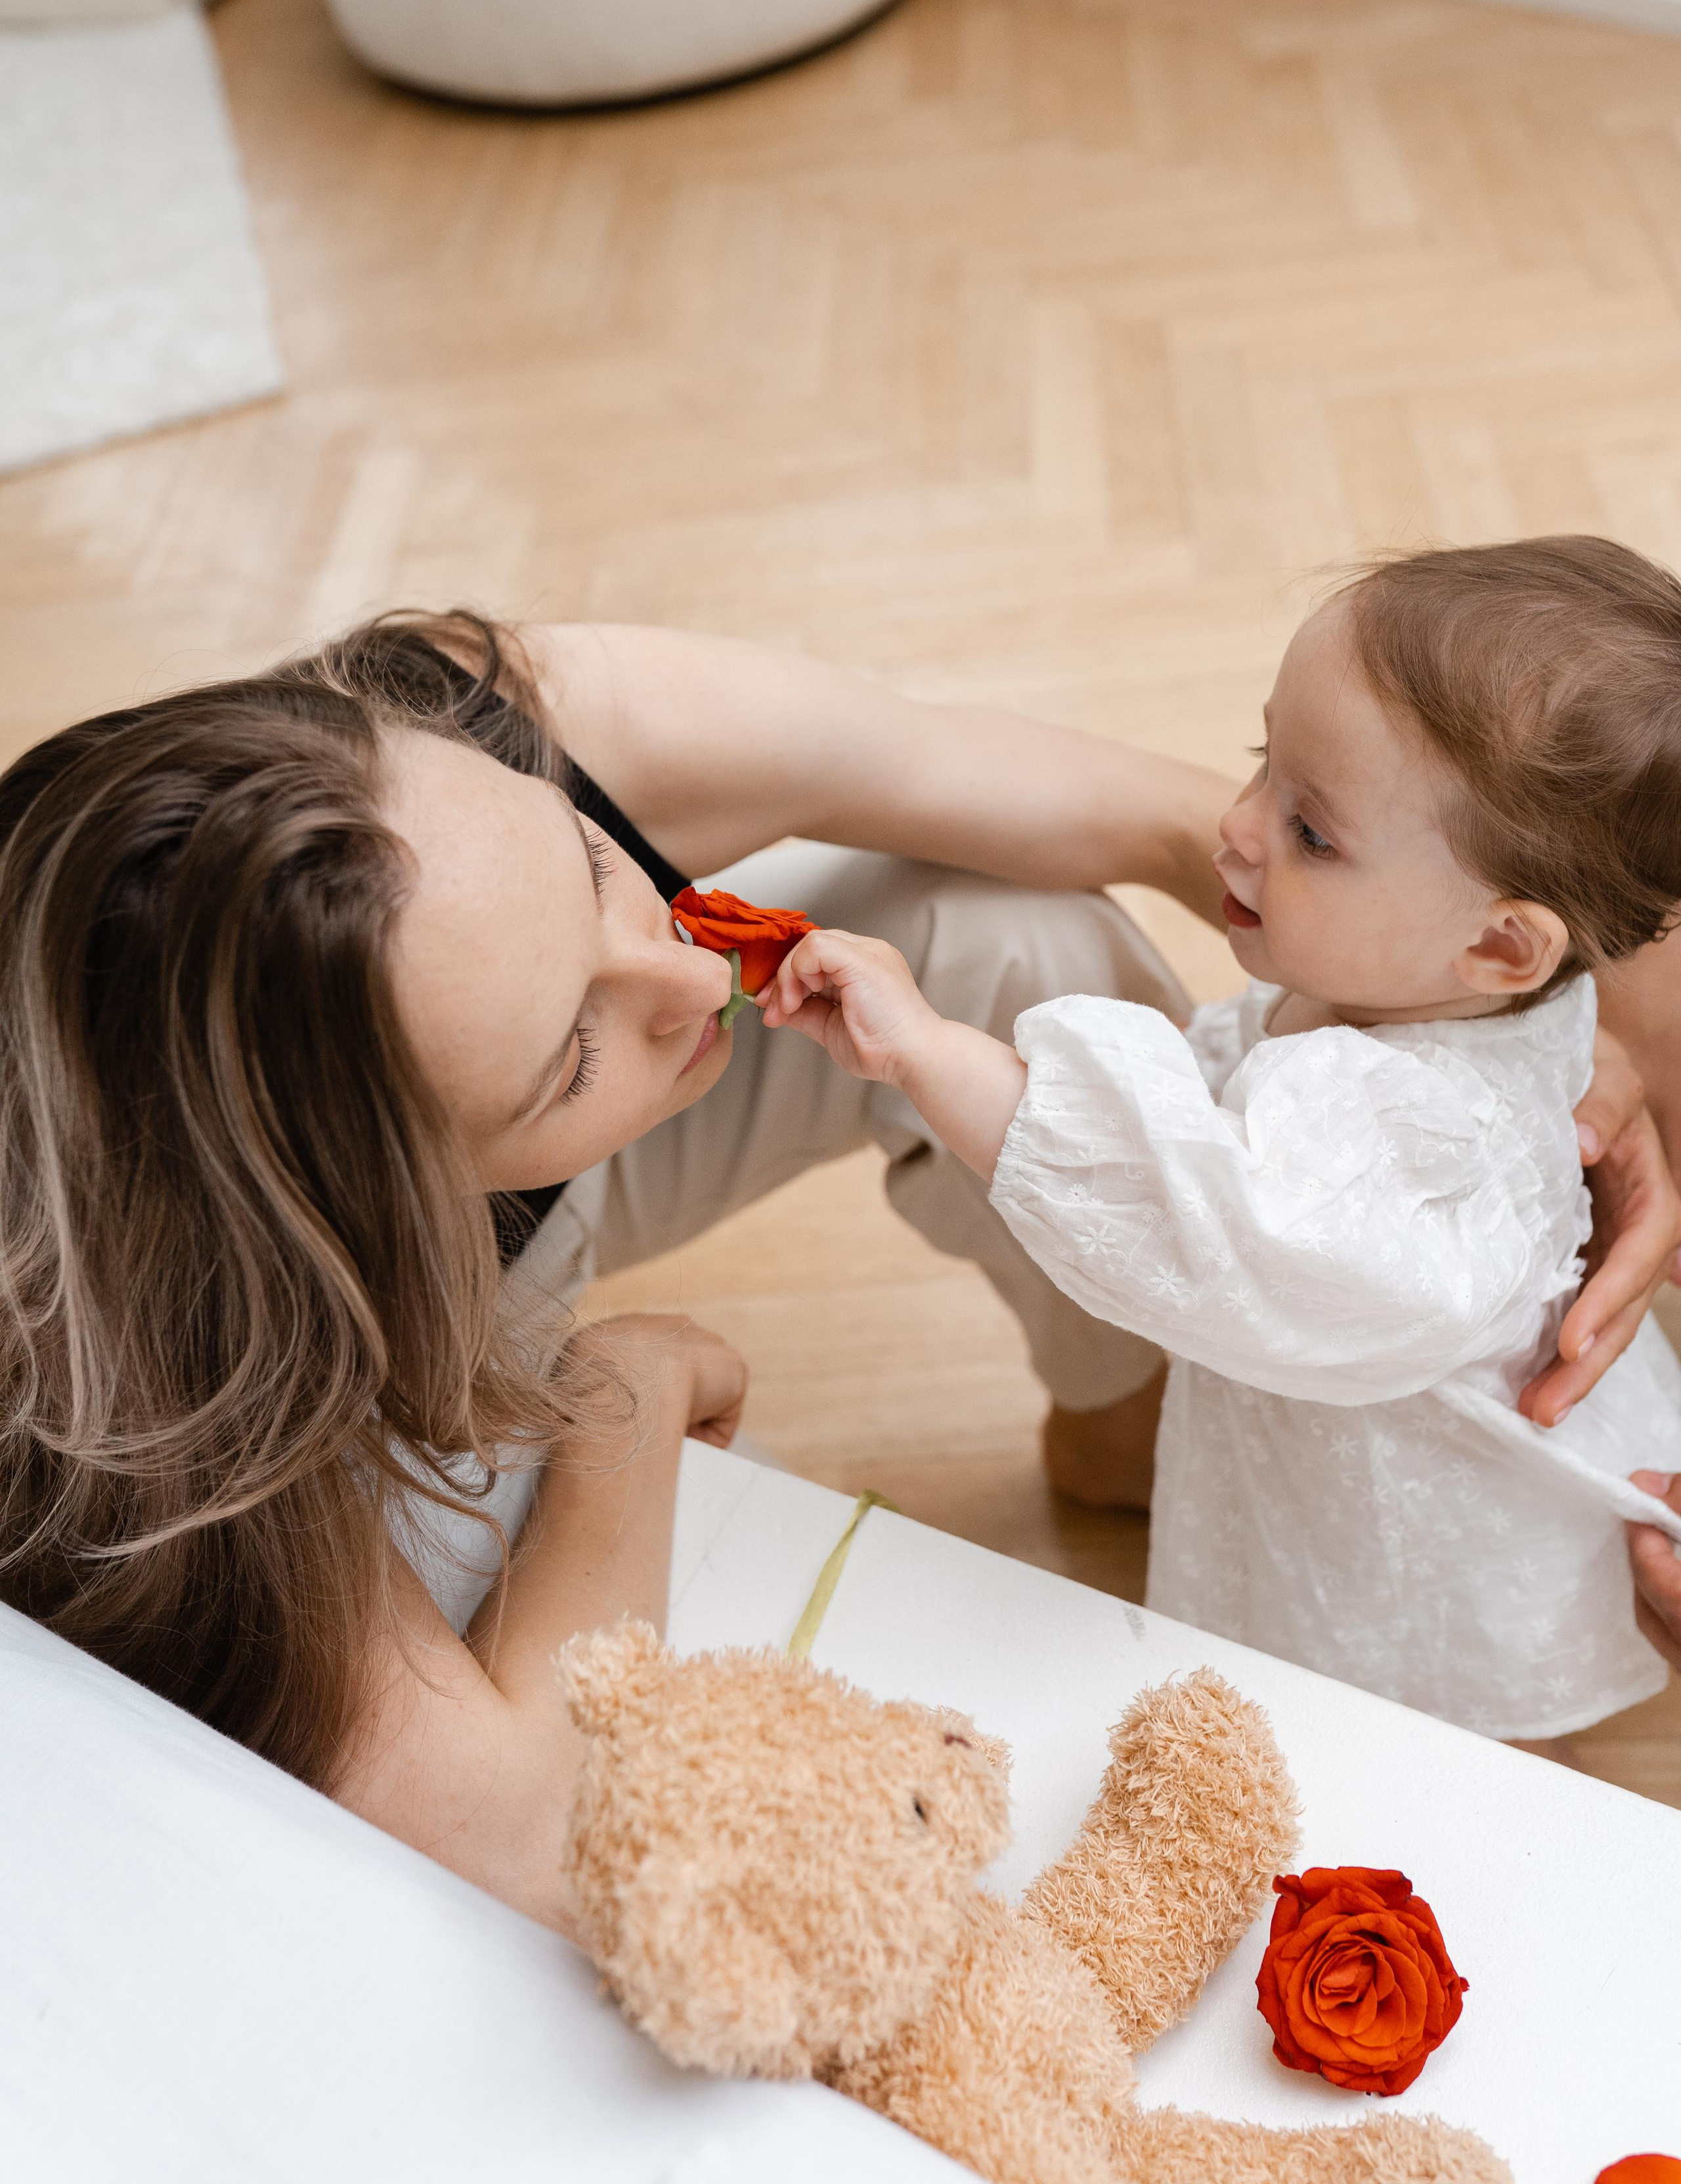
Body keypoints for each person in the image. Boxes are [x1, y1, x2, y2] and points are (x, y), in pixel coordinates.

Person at [0, 607, 1672, 1933]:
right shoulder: (164, 1391)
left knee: (1000, 932)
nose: (689, 971)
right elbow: (522, 1827)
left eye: (597, 864)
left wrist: (1502, 1032)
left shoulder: (469, 721)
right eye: (568, 1049)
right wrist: (623, 1386)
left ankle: (1121, 1417)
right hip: (287, 1341)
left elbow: (1189, 822)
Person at [754, 538, 1681, 1740]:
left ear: (1502, 947)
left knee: (1387, 1737)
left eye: (1312, 833)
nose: (1238, 828)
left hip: (1407, 1542)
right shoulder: (1432, 991)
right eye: (1261, 762)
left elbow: (1193, 1212)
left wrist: (928, 1053)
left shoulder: (1418, 1142)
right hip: (1328, 1448)